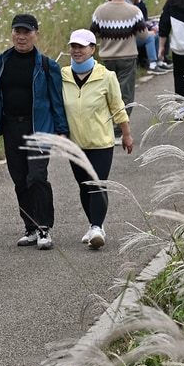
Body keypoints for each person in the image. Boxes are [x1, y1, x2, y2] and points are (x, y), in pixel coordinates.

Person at [0, 14, 69, 249]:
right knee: (19, 179)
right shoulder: (1, 62)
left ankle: (44, 228)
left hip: (39, 128)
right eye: (17, 32)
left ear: (36, 34)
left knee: (37, 177)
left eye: (26, 32)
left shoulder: (48, 65)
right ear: (11, 33)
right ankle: (30, 227)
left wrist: (61, 131)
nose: (21, 37)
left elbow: (56, 101)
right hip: (11, 127)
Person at [60, 29, 132, 249]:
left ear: (93, 49)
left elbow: (117, 107)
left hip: (101, 142)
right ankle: (94, 224)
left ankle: (96, 227)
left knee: (97, 184)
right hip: (74, 143)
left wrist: (126, 134)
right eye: (73, 46)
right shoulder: (61, 75)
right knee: (83, 185)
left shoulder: (106, 76)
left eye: (81, 47)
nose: (76, 51)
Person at [90, 0, 148, 141]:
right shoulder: (134, 11)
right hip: (128, 56)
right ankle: (119, 130)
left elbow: (93, 33)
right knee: (125, 94)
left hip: (107, 57)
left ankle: (107, 127)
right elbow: (143, 35)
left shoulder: (100, 10)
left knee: (106, 93)